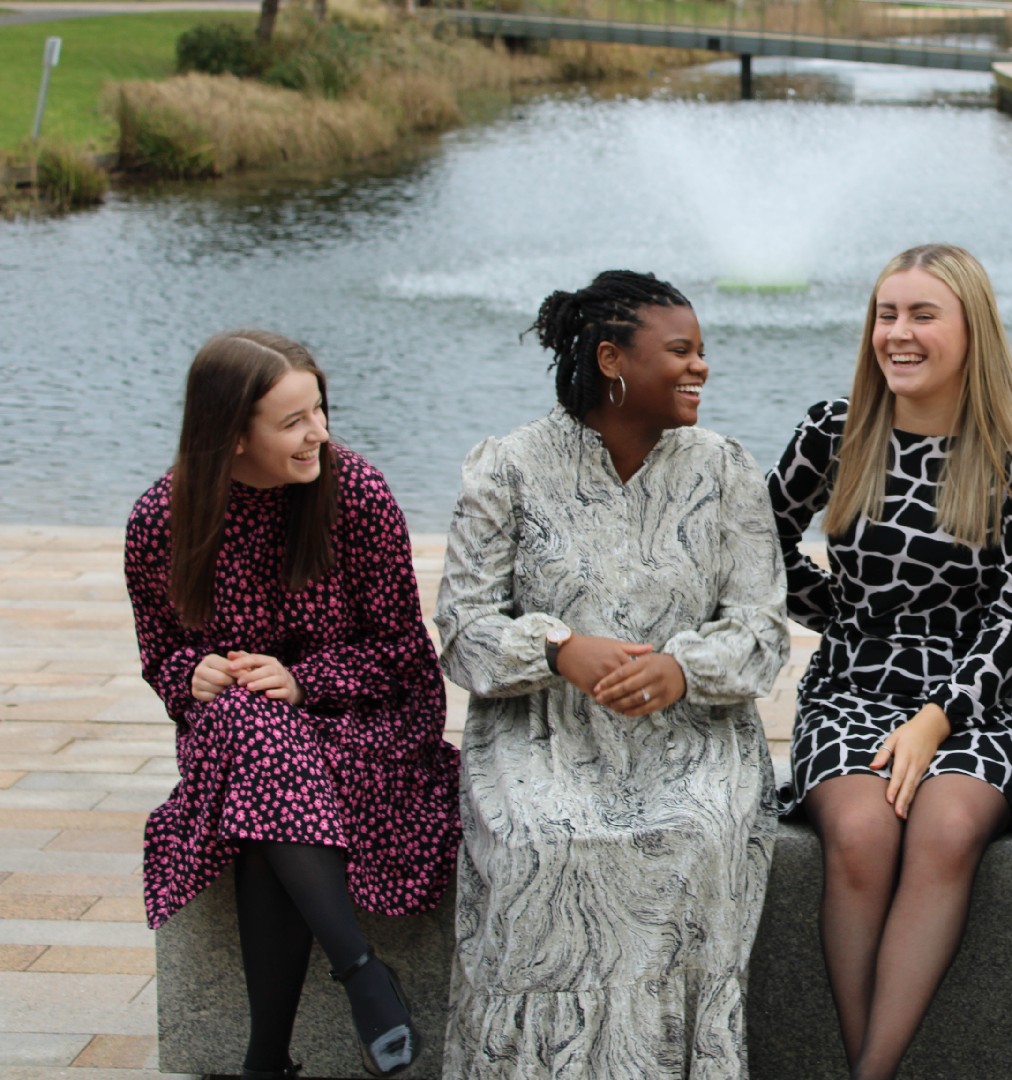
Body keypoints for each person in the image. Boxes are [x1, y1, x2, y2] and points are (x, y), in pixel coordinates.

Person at [435, 270, 789, 1079]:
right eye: (680, 352)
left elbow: (763, 630)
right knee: (540, 841)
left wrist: (682, 669)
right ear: (610, 359)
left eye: (703, 351)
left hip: (692, 738)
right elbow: (462, 631)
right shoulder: (507, 469)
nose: (701, 367)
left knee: (697, 833)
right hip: (544, 735)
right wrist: (561, 650)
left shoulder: (726, 469)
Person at [125, 330, 460, 1080]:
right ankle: (361, 973)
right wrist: (196, 673)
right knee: (252, 727)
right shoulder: (161, 521)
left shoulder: (357, 495)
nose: (320, 434)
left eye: (320, 410)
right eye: (293, 421)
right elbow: (160, 659)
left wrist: (307, 681)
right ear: (231, 436)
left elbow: (407, 652)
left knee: (261, 772)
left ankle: (269, 1058)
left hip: (368, 722)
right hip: (242, 734)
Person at [765, 243, 1012, 1080]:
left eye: (923, 315)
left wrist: (938, 719)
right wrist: (841, 616)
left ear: (973, 330)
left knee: (944, 826)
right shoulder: (836, 430)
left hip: (978, 692)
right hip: (854, 680)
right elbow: (757, 540)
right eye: (886, 314)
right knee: (859, 835)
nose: (897, 333)